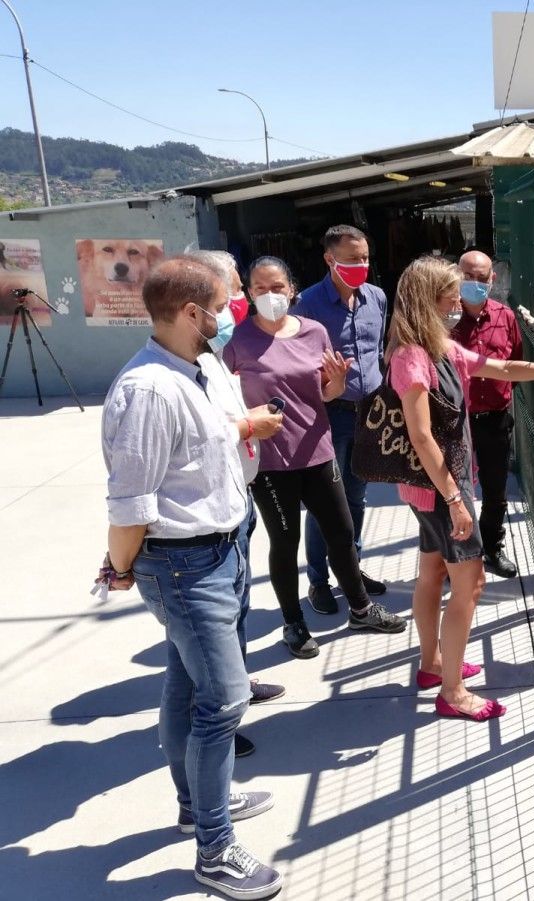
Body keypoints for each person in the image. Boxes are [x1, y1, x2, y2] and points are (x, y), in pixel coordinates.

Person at [97, 256, 284, 900]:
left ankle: (195, 805)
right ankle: (214, 847)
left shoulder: (196, 368)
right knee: (225, 701)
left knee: (187, 683)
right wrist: (119, 568)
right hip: (183, 563)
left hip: (220, 547)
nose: (234, 312)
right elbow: (131, 501)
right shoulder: (148, 389)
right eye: (224, 304)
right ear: (189, 314)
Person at [388, 256, 534, 721]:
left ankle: (431, 664)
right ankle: (452, 691)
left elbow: (500, 369)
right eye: (449, 291)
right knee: (471, 583)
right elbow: (422, 436)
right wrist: (455, 501)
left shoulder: (438, 346)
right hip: (443, 489)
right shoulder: (413, 357)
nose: (455, 298)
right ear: (429, 297)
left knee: (432, 573)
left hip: (431, 489)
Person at [225, 255, 407, 658]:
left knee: (341, 533)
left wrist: (337, 383)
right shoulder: (237, 341)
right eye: (259, 289)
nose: (270, 295)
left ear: (292, 289)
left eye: (277, 287)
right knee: (284, 542)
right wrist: (243, 425)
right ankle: (293, 623)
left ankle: (360, 608)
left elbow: (326, 392)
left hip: (318, 450)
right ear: (250, 294)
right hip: (272, 462)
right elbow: (218, 395)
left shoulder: (314, 331)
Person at [189, 251, 285, 757]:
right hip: (204, 523)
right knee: (211, 635)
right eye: (228, 300)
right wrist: (250, 426)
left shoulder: (207, 357)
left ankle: (239, 685)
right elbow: (195, 437)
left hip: (235, 498)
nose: (239, 308)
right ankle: (218, 724)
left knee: (239, 607)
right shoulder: (173, 372)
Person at [293, 225, 388, 615]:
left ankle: (351, 568)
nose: (361, 265)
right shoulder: (308, 305)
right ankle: (318, 582)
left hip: (369, 413)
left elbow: (378, 350)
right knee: (323, 504)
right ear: (330, 260)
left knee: (357, 498)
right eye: (352, 259)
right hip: (328, 416)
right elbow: (293, 364)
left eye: (365, 257)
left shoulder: (377, 298)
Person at [450, 250, 523, 578]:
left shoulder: (505, 316)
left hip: (495, 417)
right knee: (455, 490)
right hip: (455, 419)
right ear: (456, 275)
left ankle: (492, 548)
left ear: (492, 279)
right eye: (469, 277)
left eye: (482, 278)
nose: (475, 284)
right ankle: (458, 556)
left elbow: (515, 362)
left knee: (496, 490)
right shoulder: (444, 317)